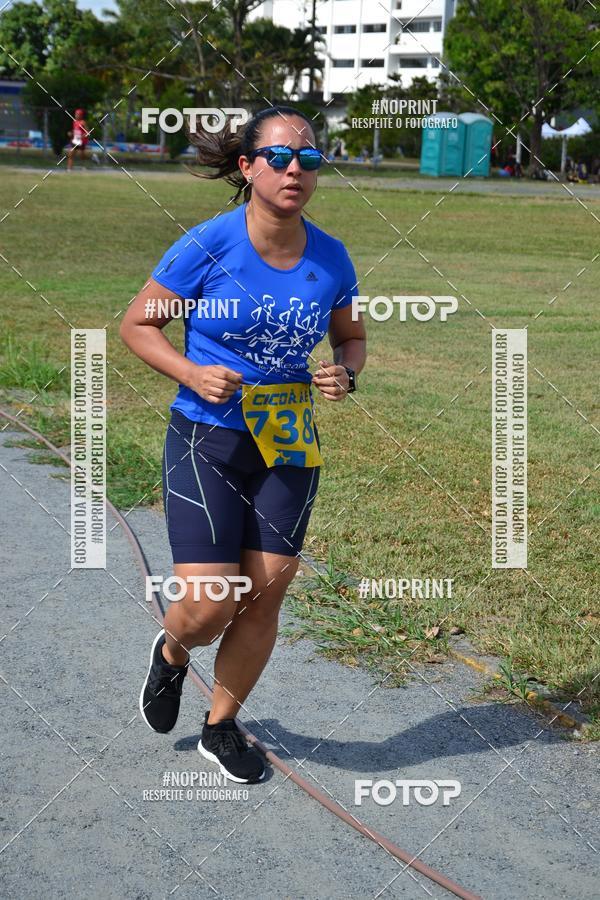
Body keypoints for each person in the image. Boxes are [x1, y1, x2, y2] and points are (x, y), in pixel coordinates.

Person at [120, 105, 367, 783]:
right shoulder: (207, 245)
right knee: (211, 604)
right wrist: (192, 371)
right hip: (208, 435)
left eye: (309, 159)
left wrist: (345, 372)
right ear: (248, 166)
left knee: (266, 594)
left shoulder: (331, 256)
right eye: (281, 158)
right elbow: (138, 325)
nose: (296, 170)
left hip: (287, 438)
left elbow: (351, 337)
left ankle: (221, 724)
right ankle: (173, 652)